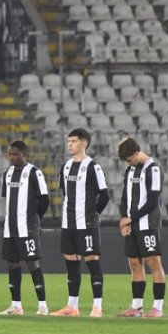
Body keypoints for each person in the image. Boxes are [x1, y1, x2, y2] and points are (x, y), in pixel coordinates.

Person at [51, 128, 110, 317]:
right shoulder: (66, 166)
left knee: (92, 262)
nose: (69, 144)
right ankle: (72, 306)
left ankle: (97, 306)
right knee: (71, 263)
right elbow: (66, 194)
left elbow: (104, 195)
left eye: (74, 141)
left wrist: (92, 214)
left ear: (84, 143)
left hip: (87, 224)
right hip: (68, 224)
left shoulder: (93, 167)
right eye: (68, 141)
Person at [115, 137, 167, 318]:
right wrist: (124, 220)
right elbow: (124, 197)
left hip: (148, 224)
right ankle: (136, 307)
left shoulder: (153, 169)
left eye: (130, 159)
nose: (128, 163)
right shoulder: (130, 170)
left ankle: (157, 308)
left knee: (154, 264)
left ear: (137, 153)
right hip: (132, 224)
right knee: (135, 264)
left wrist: (130, 219)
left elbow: (153, 201)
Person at [0, 140, 50, 316]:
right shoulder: (7, 174)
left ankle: (42, 305)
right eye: (10, 154)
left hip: (27, 227)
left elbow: (44, 199)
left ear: (24, 155)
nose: (11, 157)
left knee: (32, 262)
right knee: (12, 264)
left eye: (15, 154)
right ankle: (16, 305)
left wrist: (36, 220)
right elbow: (8, 198)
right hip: (10, 228)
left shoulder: (34, 173)